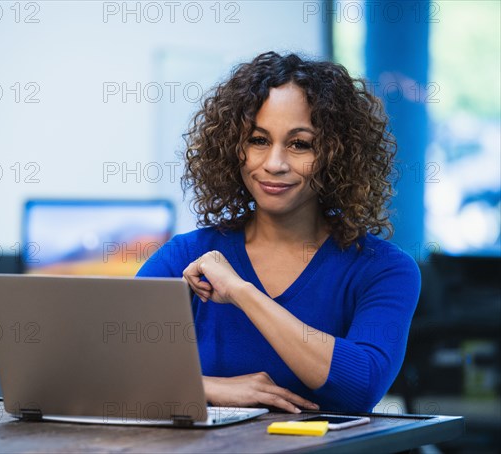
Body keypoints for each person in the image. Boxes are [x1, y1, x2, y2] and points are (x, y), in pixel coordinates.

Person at [136, 51, 421, 413]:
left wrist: (241, 291)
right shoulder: (184, 256)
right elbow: (104, 369)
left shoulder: (383, 269)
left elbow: (361, 386)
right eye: (258, 140)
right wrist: (209, 388)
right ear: (233, 148)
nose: (274, 164)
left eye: (300, 144)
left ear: (337, 155)